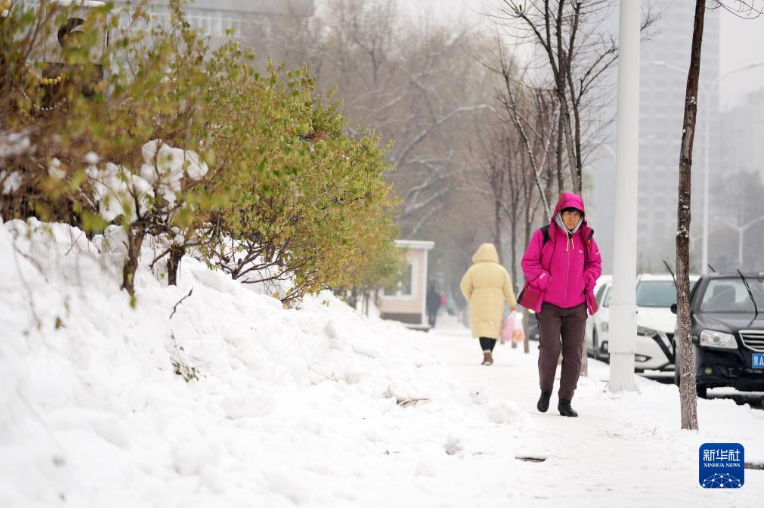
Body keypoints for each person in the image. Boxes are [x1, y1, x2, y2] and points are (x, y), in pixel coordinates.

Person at [520, 192, 602, 417]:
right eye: (569, 213)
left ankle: (565, 400)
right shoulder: (544, 236)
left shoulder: (586, 239)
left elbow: (596, 263)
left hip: (577, 306)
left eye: (577, 214)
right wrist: (544, 279)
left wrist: (586, 279)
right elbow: (529, 262)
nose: (573, 218)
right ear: (559, 214)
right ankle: (545, 390)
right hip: (548, 304)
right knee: (551, 349)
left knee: (574, 353)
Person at [460, 243, 517, 366]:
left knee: (482, 328)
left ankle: (486, 354)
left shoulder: (473, 269)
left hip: (478, 303)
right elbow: (508, 289)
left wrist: (471, 298)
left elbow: (464, 286)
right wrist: (512, 304)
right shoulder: (501, 270)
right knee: (493, 328)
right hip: (496, 304)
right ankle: (489, 352)